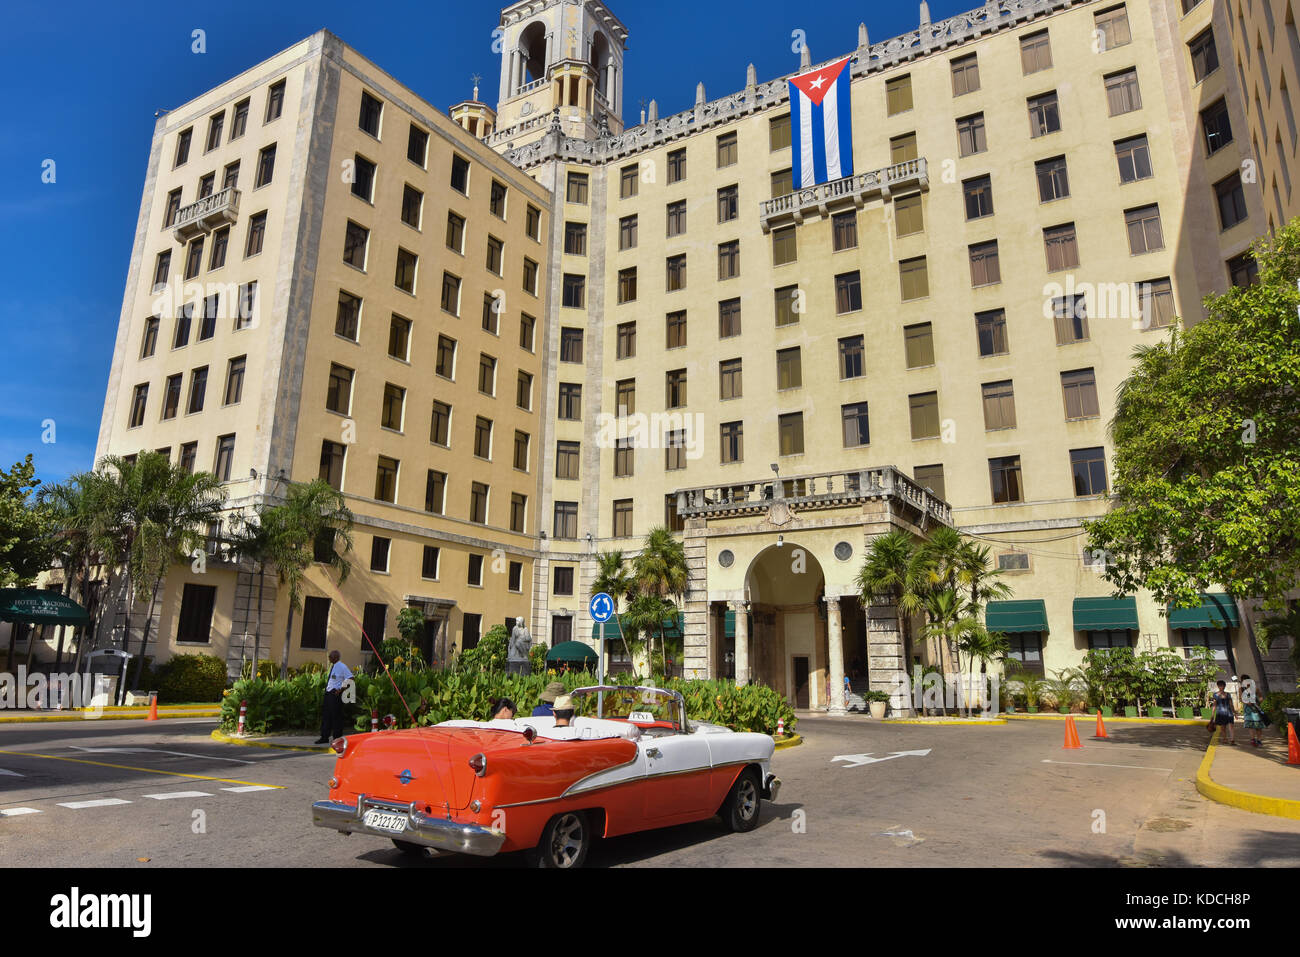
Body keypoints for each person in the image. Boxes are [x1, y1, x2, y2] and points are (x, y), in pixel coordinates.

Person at [315, 650, 352, 744]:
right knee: (326, 716)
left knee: (336, 717)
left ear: (335, 657)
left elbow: (351, 678)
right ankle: (324, 737)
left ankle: (337, 738)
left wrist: (341, 690)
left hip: (335, 694)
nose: (329, 658)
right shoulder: (333, 666)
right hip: (328, 694)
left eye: (330, 657)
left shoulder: (342, 666)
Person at [1240, 673, 1265, 747]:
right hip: (1248, 710)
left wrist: (1259, 701)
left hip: (1256, 709)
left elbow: (1260, 697)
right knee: (1250, 726)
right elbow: (1240, 699)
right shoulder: (1241, 689)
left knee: (1258, 726)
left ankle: (1259, 740)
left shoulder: (1255, 688)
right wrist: (1247, 702)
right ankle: (1253, 739)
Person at [1209, 679, 1237, 745]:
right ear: (1218, 686)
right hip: (1220, 713)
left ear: (1224, 686)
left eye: (1223, 685)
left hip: (1229, 713)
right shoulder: (1215, 695)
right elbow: (1214, 705)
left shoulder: (1228, 694)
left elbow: (1231, 704)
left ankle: (1232, 740)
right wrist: (1212, 715)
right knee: (1223, 727)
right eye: (1220, 686)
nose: (1221, 687)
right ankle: (1225, 739)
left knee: (1231, 726)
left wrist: (1234, 713)